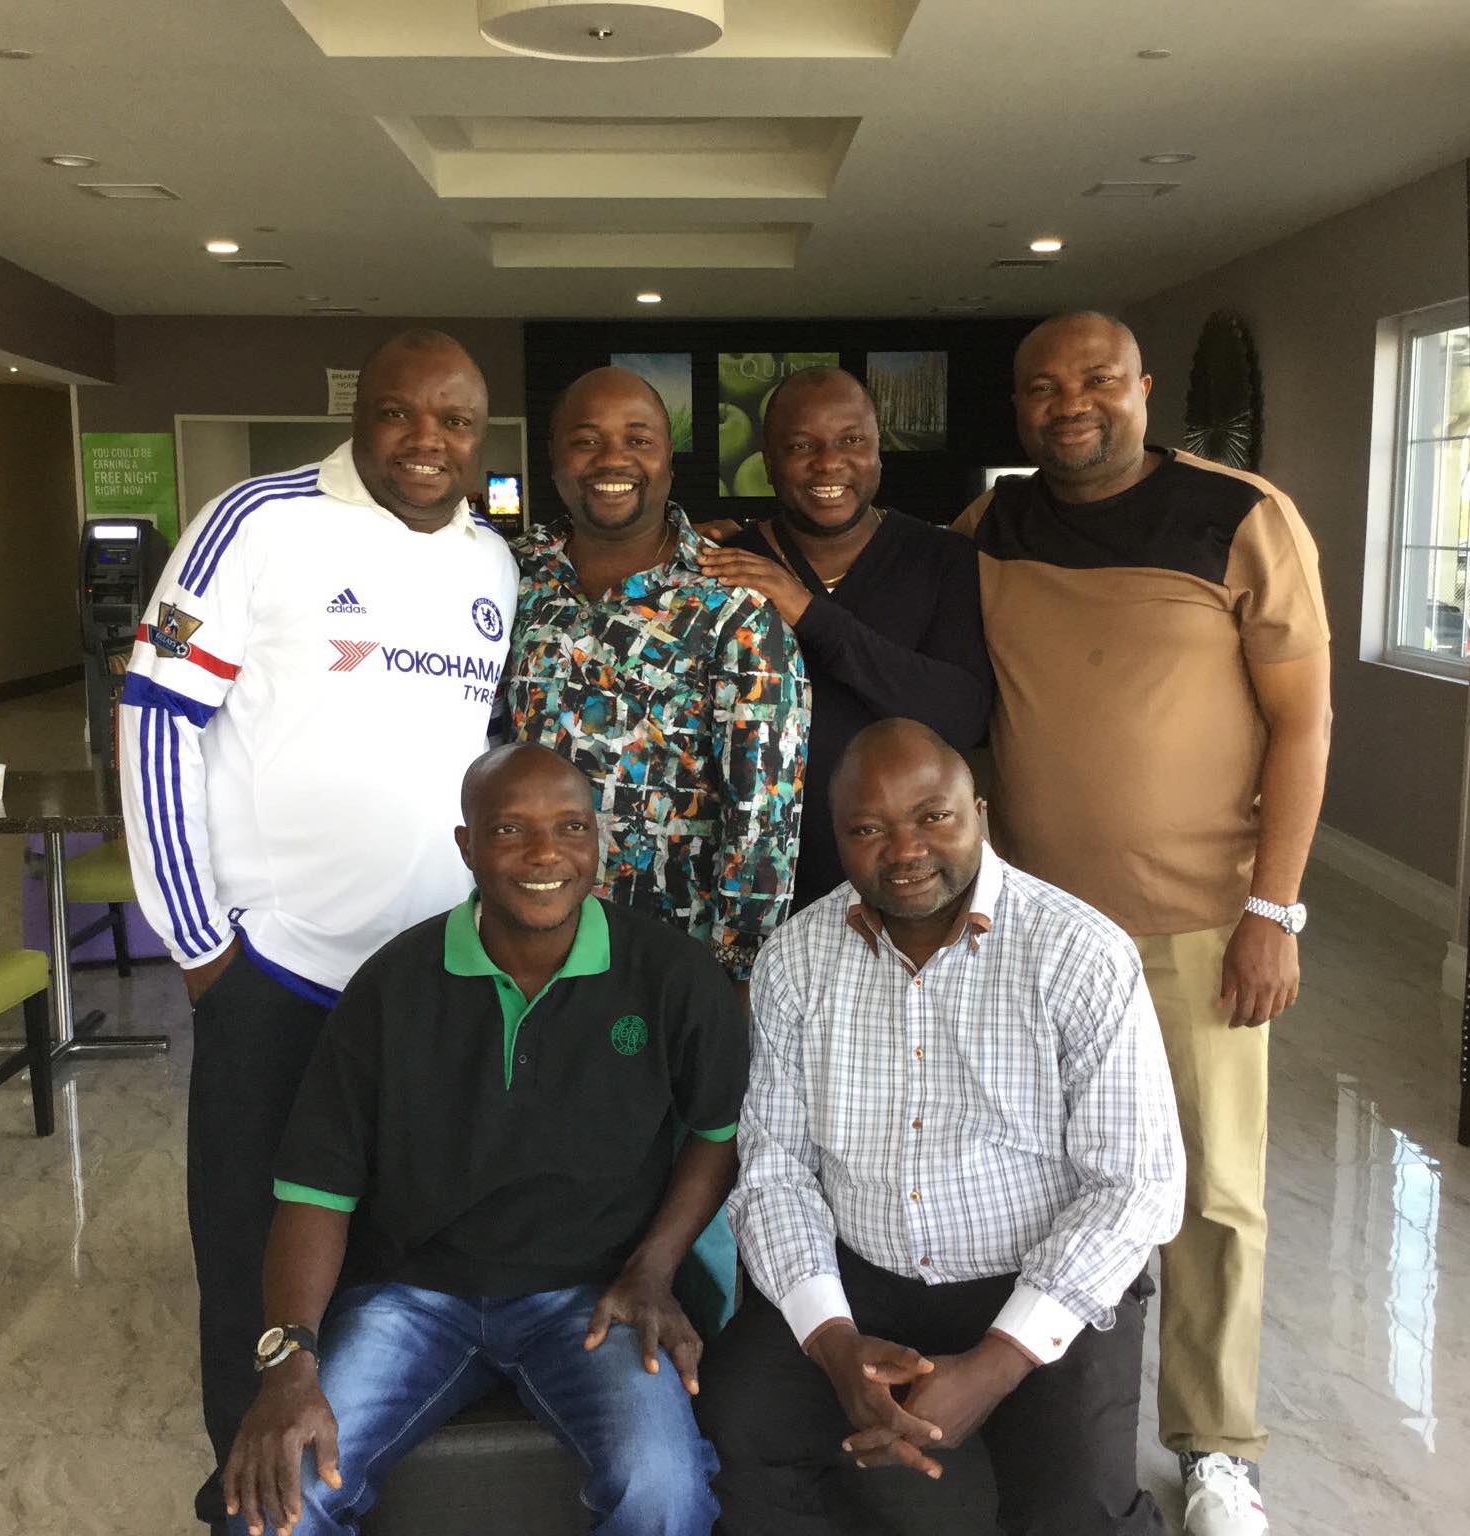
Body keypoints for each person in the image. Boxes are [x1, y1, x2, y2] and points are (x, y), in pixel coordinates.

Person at [118, 330, 518, 1531]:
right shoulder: (258, 520)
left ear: (479, 438)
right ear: (358, 416)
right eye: (400, 413)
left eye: (454, 422)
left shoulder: (492, 562)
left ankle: (363, 1464)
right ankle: (246, 1496)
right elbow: (155, 714)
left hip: (428, 981)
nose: (426, 441)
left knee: (397, 1236)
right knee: (252, 1243)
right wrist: (201, 943)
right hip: (276, 972)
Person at [952, 311, 1332, 1536]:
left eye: (1097, 380)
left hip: (1199, 926)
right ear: (1018, 408)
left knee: (1210, 1194)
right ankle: (1044, 1409)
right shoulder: (991, 527)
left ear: (1143, 388)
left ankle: (1215, 1446)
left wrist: (1273, 910)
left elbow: (1304, 721)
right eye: (1042, 387)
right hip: (1032, 932)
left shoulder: (1237, 515)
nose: (1071, 403)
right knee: (1042, 1184)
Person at [220, 744, 746, 1536]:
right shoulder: (392, 985)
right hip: (411, 1296)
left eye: (570, 827)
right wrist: (289, 1362)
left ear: (597, 841)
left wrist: (652, 1268)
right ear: (466, 846)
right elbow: (315, 1189)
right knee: (280, 1504)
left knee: (661, 1490)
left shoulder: (670, 974)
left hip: (592, 1297)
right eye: (509, 829)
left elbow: (716, 1134)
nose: (544, 854)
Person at [700, 719, 1184, 1535]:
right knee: (736, 1427)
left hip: (1037, 1274)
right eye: (867, 829)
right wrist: (832, 1343)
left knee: (1078, 1510)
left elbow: (1134, 1187)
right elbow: (774, 1170)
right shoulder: (794, 959)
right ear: (836, 839)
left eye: (932, 817)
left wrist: (996, 1365)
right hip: (861, 1274)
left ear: (979, 814)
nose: (904, 850)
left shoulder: (1080, 953)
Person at [505, 364, 810, 992]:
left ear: (669, 459)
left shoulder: (734, 606)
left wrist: (737, 974)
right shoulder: (512, 578)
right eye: (586, 440)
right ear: (554, 458)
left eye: (638, 439)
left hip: (668, 963)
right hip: (519, 943)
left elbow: (764, 816)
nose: (612, 459)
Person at [696, 365, 993, 909]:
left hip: (909, 881)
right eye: (801, 445)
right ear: (768, 460)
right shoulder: (728, 564)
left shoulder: (941, 559)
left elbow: (961, 716)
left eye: (851, 441)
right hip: (754, 888)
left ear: (878, 450)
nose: (829, 463)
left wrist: (809, 613)